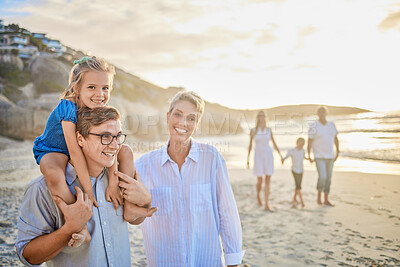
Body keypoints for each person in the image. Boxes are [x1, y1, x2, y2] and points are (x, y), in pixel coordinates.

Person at [16, 106, 154, 266]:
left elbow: (135, 220)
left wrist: (145, 201)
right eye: (105, 136)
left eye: (118, 137)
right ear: (80, 139)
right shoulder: (43, 189)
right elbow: (27, 255)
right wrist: (69, 229)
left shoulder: (119, 178)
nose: (115, 146)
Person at [134, 91, 244, 266]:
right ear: (168, 117)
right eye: (178, 114)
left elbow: (227, 212)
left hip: (206, 260)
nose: (183, 123)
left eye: (191, 118)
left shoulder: (211, 159)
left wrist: (233, 259)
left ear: (197, 124)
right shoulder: (144, 166)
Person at [32, 56, 130, 246]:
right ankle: (81, 225)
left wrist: (113, 182)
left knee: (124, 149)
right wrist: (87, 190)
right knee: (53, 173)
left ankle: (132, 206)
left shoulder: (97, 108)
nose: (100, 94)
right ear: (76, 88)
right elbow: (74, 151)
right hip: (53, 149)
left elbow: (113, 143)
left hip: (79, 147)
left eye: (105, 88)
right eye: (91, 87)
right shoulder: (68, 107)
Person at [247, 110, 283, 212]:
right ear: (258, 118)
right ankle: (258, 194)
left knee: (268, 180)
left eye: (263, 116)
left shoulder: (269, 130)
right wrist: (248, 159)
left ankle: (267, 203)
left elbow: (274, 143)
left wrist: (280, 155)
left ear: (265, 118)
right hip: (258, 156)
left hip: (268, 156)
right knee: (260, 181)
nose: (261, 118)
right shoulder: (253, 130)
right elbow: (250, 145)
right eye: (260, 116)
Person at [307, 106, 339, 206]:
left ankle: (326, 199)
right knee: (322, 177)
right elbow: (310, 141)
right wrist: (309, 155)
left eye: (323, 112)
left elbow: (335, 139)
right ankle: (318, 197)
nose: (322, 114)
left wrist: (338, 151)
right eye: (320, 112)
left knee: (328, 178)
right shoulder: (314, 126)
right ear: (317, 114)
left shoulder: (331, 125)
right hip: (319, 156)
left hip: (330, 156)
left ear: (326, 113)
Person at [282, 137, 310, 208]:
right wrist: (283, 160)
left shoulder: (303, 151)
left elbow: (304, 157)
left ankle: (294, 198)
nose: (301, 145)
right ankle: (302, 202)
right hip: (294, 170)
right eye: (300, 143)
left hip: (301, 170)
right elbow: (286, 157)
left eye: (303, 144)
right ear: (297, 143)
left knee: (298, 186)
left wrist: (309, 159)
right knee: (299, 187)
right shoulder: (292, 151)